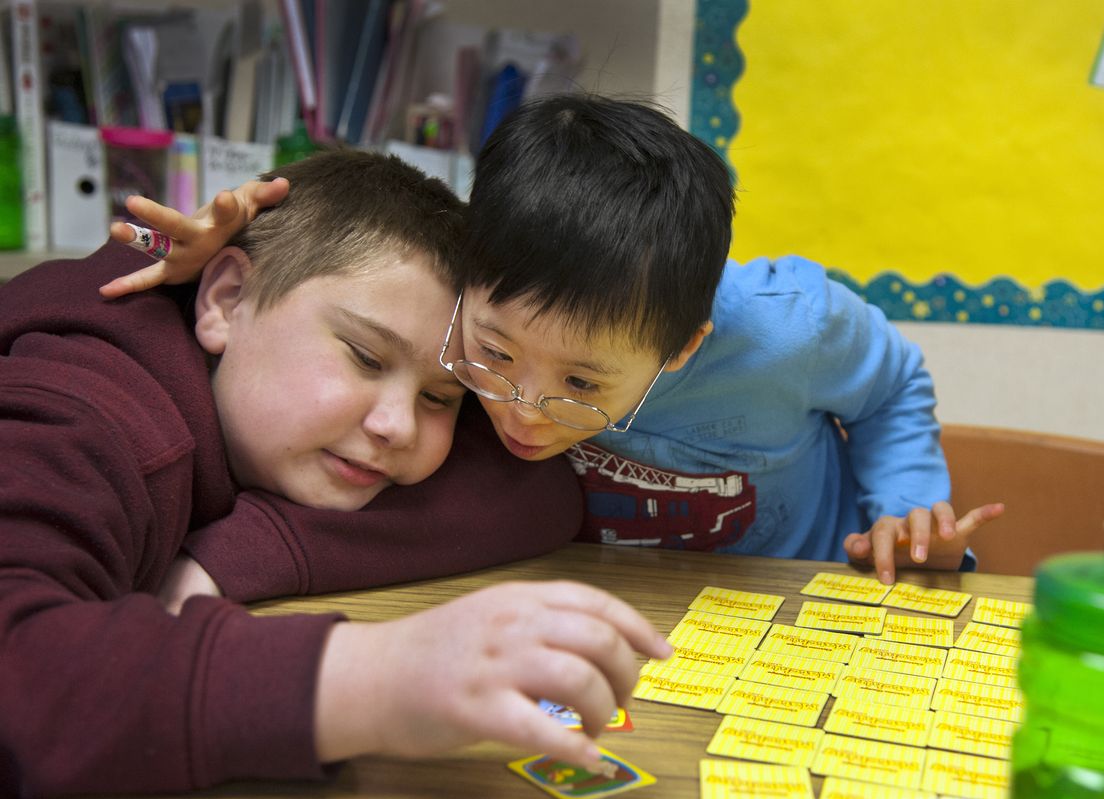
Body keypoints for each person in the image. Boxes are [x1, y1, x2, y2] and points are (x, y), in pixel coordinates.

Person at [103, 95, 1003, 587]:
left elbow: (891, 388)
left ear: (681, 348)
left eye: (582, 382)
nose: (523, 413)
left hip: (810, 587)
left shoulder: (794, 327)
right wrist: (209, 246)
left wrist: (906, 505)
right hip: (608, 598)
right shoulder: (467, 290)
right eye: (491, 358)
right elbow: (340, 265)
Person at [0, 150, 670, 798]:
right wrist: (375, 678)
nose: (397, 426)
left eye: (441, 398)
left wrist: (251, 548)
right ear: (226, 298)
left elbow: (537, 493)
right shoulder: (90, 413)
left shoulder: (251, 398)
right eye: (365, 358)